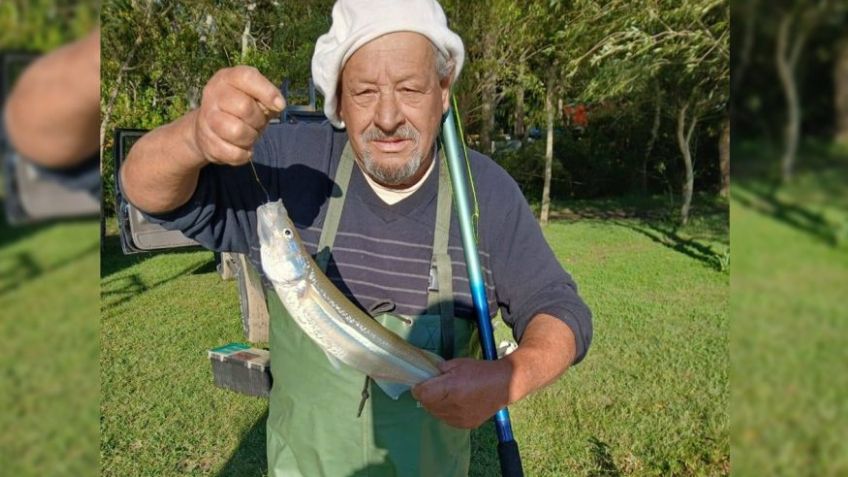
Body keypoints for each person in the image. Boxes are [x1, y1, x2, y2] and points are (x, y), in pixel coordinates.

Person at [120, 0, 592, 475]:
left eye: (410, 88)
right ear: (339, 100)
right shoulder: (289, 164)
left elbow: (560, 309)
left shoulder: (484, 192)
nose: (387, 117)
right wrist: (194, 137)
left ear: (444, 90)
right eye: (364, 91)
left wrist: (510, 377)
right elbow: (146, 191)